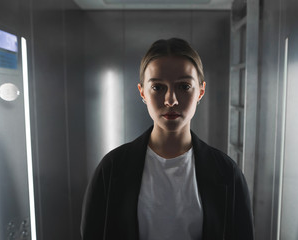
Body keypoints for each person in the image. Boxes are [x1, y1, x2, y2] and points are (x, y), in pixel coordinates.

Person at [81, 38, 254, 240]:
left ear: (201, 91)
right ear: (142, 92)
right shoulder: (111, 169)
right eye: (157, 87)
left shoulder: (227, 174)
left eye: (184, 86)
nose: (171, 100)